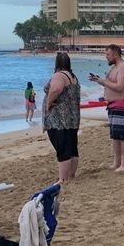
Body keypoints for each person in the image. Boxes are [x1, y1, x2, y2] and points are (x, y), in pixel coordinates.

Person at [90, 44, 124, 172]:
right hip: (112, 104)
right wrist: (99, 80)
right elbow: (110, 84)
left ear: (115, 54)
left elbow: (120, 87)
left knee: (123, 135)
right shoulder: (114, 68)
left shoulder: (123, 67)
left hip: (121, 103)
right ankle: (116, 162)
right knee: (115, 136)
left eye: (108, 54)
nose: (106, 57)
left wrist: (102, 82)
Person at [42, 52, 81, 182]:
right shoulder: (73, 77)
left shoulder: (59, 75)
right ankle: (71, 175)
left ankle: (63, 178)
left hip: (59, 118)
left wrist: (48, 102)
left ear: (57, 64)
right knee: (72, 147)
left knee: (62, 148)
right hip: (72, 117)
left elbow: (56, 89)